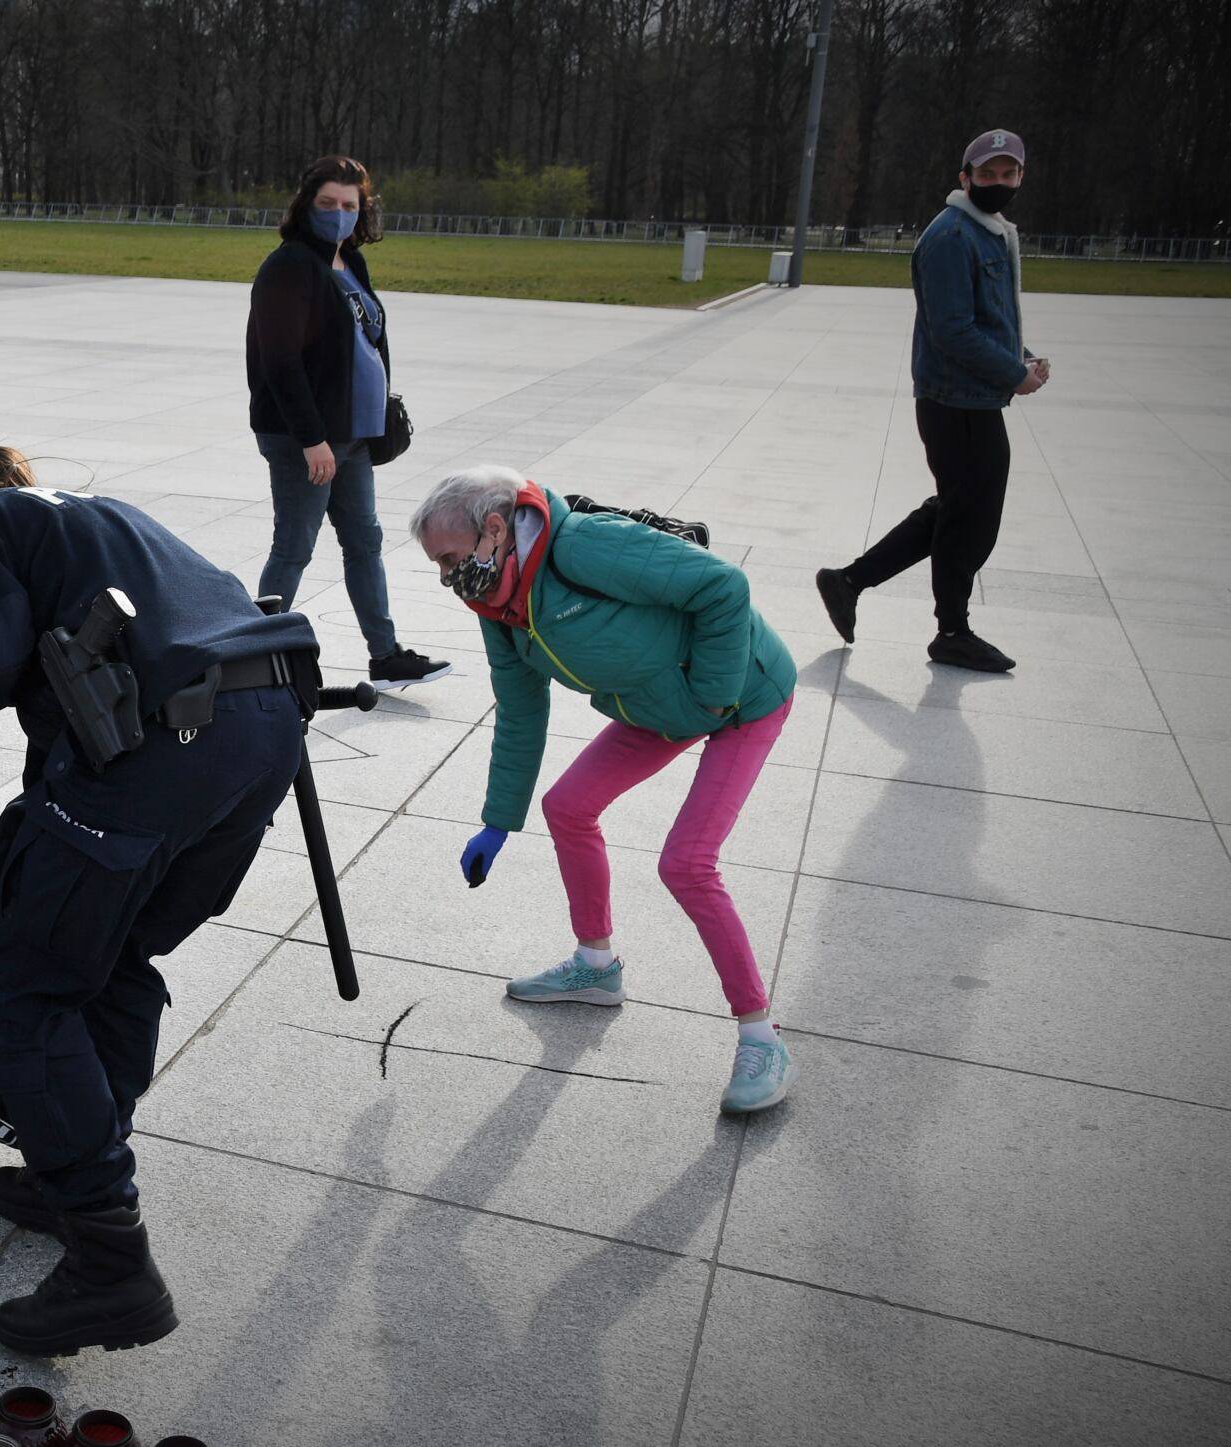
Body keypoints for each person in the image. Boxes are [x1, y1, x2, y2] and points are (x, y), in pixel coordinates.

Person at [0, 447, 318, 1356]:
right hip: (259, 734)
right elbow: (64, 769)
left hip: (165, 749)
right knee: (111, 956)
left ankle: (110, 1262)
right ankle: (72, 1164)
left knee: (29, 991)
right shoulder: (90, 522)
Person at [410, 466, 800, 1113]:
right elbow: (520, 711)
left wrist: (712, 697)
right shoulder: (498, 605)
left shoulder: (584, 546)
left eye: (451, 560)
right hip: (662, 704)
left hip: (741, 695)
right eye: (439, 567)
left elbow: (724, 588)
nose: (449, 578)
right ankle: (596, 968)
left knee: (687, 862)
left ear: (496, 528)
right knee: (567, 806)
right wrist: (498, 820)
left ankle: (762, 1035)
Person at [817, 129, 1049, 674]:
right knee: (970, 516)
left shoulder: (987, 232)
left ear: (1019, 177)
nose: (998, 183)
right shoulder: (953, 236)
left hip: (969, 397)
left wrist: (1024, 357)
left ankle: (849, 581)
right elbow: (951, 330)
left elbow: (989, 319)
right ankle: (951, 632)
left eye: (1007, 174)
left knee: (958, 508)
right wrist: (1014, 374)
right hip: (955, 401)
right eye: (987, 174)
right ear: (964, 177)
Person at [247, 155, 449, 693]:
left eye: (349, 205)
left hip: (352, 436)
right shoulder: (289, 267)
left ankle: (385, 655)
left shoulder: (350, 264)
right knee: (294, 547)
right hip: (305, 438)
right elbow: (281, 362)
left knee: (365, 542)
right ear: (306, 206)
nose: (339, 214)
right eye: (327, 204)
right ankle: (249, 656)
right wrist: (313, 440)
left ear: (363, 212)